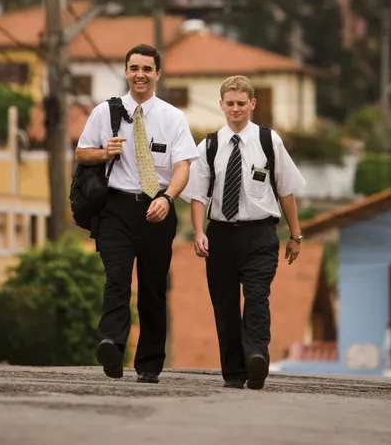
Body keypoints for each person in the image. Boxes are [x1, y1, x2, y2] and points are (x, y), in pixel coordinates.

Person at [76, 43, 199, 384]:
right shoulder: (105, 112)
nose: (140, 74)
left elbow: (182, 166)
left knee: (152, 288)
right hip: (115, 208)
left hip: (157, 209)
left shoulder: (173, 118)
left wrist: (168, 197)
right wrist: (104, 153)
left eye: (147, 68)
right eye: (134, 68)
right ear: (126, 72)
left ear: (157, 73)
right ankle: (112, 346)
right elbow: (81, 153)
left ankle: (149, 364)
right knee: (116, 279)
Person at [184, 75, 306, 391]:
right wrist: (198, 232)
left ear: (252, 104)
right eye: (230, 103)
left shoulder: (269, 141)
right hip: (221, 236)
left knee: (256, 297)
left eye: (242, 103)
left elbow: (287, 190)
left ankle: (256, 357)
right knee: (224, 305)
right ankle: (234, 373)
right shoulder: (208, 146)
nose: (236, 109)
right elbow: (198, 195)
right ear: (222, 105)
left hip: (260, 235)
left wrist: (295, 235)